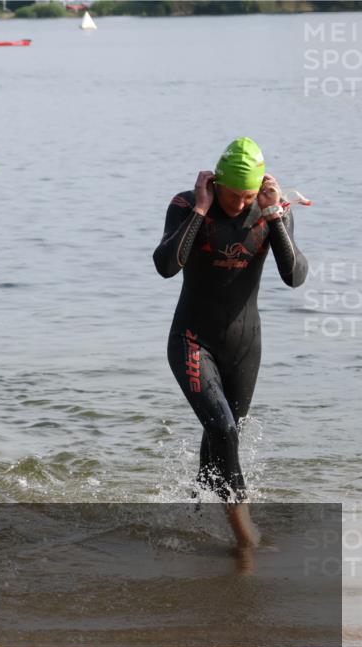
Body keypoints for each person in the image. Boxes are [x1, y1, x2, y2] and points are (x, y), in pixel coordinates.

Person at [153, 137, 308, 548]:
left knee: (221, 436)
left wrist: (274, 215)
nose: (239, 204)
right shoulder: (188, 205)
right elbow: (166, 266)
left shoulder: (270, 210)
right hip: (191, 340)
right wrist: (202, 209)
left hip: (244, 346)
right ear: (215, 183)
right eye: (231, 195)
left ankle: (194, 515)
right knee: (223, 429)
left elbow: (294, 276)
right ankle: (245, 536)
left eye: (247, 196)